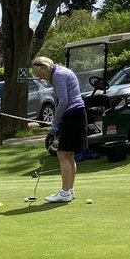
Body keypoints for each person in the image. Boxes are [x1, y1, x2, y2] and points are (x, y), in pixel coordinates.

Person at [30, 55, 87, 204]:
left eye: (41, 75)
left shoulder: (58, 75)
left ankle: (65, 192)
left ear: (46, 68)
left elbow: (63, 101)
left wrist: (55, 122)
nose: (41, 78)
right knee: (68, 155)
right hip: (76, 114)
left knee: (62, 155)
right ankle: (69, 190)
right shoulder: (60, 72)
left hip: (72, 114)